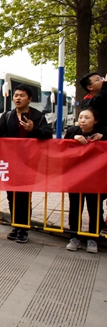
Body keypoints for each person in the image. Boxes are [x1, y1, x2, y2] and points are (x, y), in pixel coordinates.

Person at [0, 84, 53, 243]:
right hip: (9, 162)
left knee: (24, 195)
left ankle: (24, 228)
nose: (18, 98)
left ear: (29, 99)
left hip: (29, 163)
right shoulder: (7, 115)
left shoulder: (38, 116)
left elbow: (48, 135)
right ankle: (16, 225)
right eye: (16, 95)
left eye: (22, 95)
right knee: (11, 195)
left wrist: (34, 129)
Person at [64, 108, 107, 253]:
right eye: (80, 117)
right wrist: (74, 138)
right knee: (75, 207)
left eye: (87, 118)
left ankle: (93, 238)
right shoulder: (72, 131)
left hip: (95, 177)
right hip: (75, 177)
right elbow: (62, 146)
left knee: (94, 208)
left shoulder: (103, 131)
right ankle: (74, 237)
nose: (82, 120)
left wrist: (103, 137)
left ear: (95, 120)